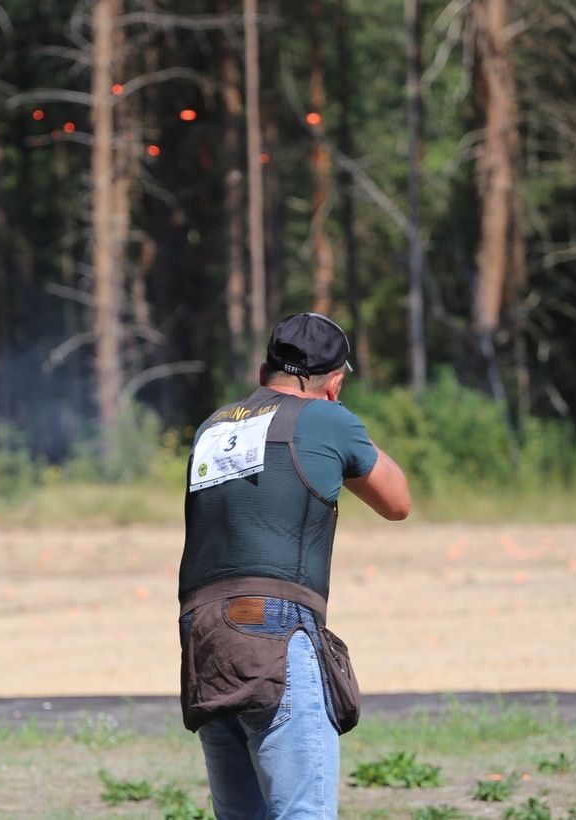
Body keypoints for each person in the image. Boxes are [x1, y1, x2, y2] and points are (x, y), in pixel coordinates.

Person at [178, 312, 411, 819]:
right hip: (273, 628)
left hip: (203, 634)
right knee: (303, 810)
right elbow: (398, 501)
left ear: (265, 373)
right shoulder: (329, 418)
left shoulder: (213, 426)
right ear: (334, 381)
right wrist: (338, 420)